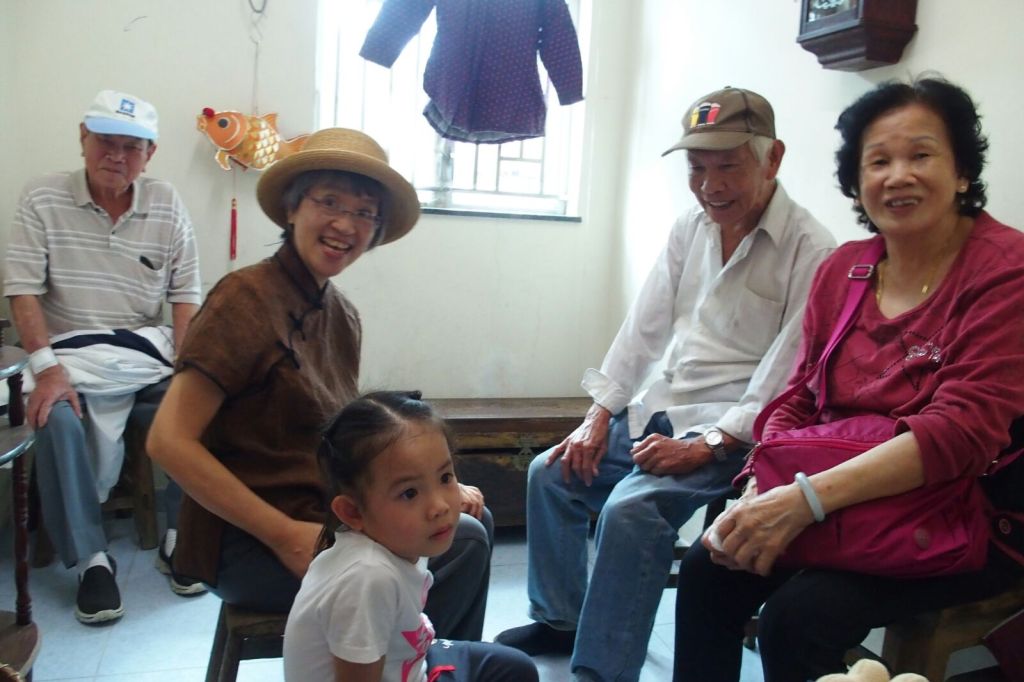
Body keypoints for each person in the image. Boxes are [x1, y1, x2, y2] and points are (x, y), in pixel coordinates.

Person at [673, 77, 1024, 682]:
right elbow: (798, 400)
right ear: (857, 181)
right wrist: (760, 485)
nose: (898, 176)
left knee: (798, 617)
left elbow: (958, 434)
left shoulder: (1004, 271)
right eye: (878, 161)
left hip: (966, 512)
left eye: (921, 155)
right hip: (842, 499)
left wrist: (803, 500)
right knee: (710, 569)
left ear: (963, 171)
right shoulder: (845, 269)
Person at [495, 87, 835, 681]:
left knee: (631, 511)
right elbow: (642, 329)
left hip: (738, 434)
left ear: (772, 159)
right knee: (551, 473)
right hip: (665, 409)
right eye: (697, 169)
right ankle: (559, 619)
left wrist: (707, 445)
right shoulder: (690, 228)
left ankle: (602, 672)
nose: (710, 186)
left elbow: (785, 379)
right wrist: (598, 414)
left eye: (728, 167)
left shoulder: (813, 250)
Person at [147, 128, 494, 640]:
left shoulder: (342, 316)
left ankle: (422, 662)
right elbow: (168, 442)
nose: (345, 224)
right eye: (329, 201)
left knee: (467, 522)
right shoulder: (243, 298)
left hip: (321, 516)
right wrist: (284, 534)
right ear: (292, 208)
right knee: (464, 542)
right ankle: (412, 663)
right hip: (247, 542)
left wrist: (435, 489)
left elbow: (349, 447)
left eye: (364, 212)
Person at [3, 89, 203, 624]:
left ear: (149, 154)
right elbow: (22, 290)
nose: (116, 156)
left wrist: (188, 368)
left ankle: (181, 537)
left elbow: (185, 295)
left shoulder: (166, 202)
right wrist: (47, 370)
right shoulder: (42, 196)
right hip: (65, 352)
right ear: (83, 139)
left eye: (131, 147)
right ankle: (92, 559)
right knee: (54, 417)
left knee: (194, 405)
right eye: (105, 142)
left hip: (143, 353)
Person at [284, 391, 536, 682]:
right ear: (353, 512)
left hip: (410, 660)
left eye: (444, 477)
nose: (439, 506)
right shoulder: (368, 578)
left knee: (515, 667)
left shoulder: (397, 539)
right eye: (409, 493)